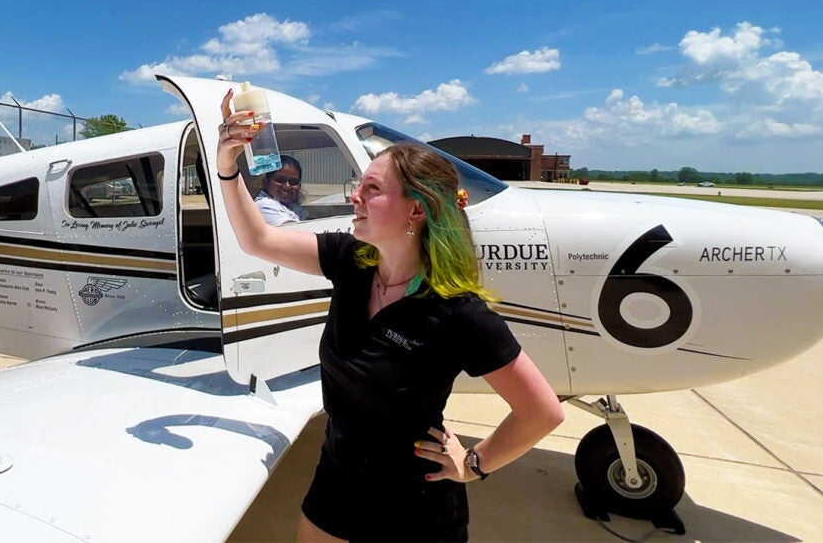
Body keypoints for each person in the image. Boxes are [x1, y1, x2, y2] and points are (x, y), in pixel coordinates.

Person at [215, 92, 563, 542]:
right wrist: (228, 165)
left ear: (416, 210)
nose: (354, 196)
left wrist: (476, 464)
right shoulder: (351, 261)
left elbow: (541, 412)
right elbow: (258, 238)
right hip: (336, 483)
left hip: (414, 509)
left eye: (372, 189)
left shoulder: (458, 312)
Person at [255, 154, 309, 225]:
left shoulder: (290, 206)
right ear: (265, 182)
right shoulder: (264, 205)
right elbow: (294, 230)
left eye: (293, 182)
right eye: (280, 180)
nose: (287, 186)